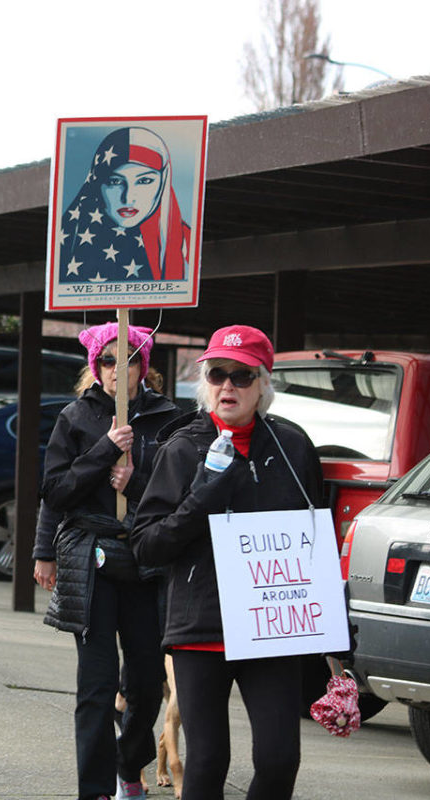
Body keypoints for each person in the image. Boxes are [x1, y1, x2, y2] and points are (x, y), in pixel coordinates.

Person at [131, 325, 324, 800]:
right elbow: (147, 545)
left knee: (280, 760)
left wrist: (333, 625)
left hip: (272, 627)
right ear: (205, 382)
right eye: (218, 374)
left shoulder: (293, 446)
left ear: (263, 385)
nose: (228, 387)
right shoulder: (182, 448)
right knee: (208, 762)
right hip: (202, 627)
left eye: (242, 376)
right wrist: (205, 495)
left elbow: (314, 539)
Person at [35, 321, 180, 800]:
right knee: (96, 687)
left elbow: (181, 496)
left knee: (144, 679)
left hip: (146, 560)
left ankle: (128, 762)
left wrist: (134, 481)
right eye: (109, 360)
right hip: (91, 560)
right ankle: (94, 789)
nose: (121, 368)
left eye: (131, 358)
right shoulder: (75, 417)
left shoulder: (171, 419)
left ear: (145, 365)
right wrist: (103, 451)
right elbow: (54, 492)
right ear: (96, 367)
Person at [57, 127, 191, 284]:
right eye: (115, 181)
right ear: (97, 182)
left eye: (144, 181)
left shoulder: (187, 246)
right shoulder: (70, 240)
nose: (128, 198)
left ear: (164, 181)